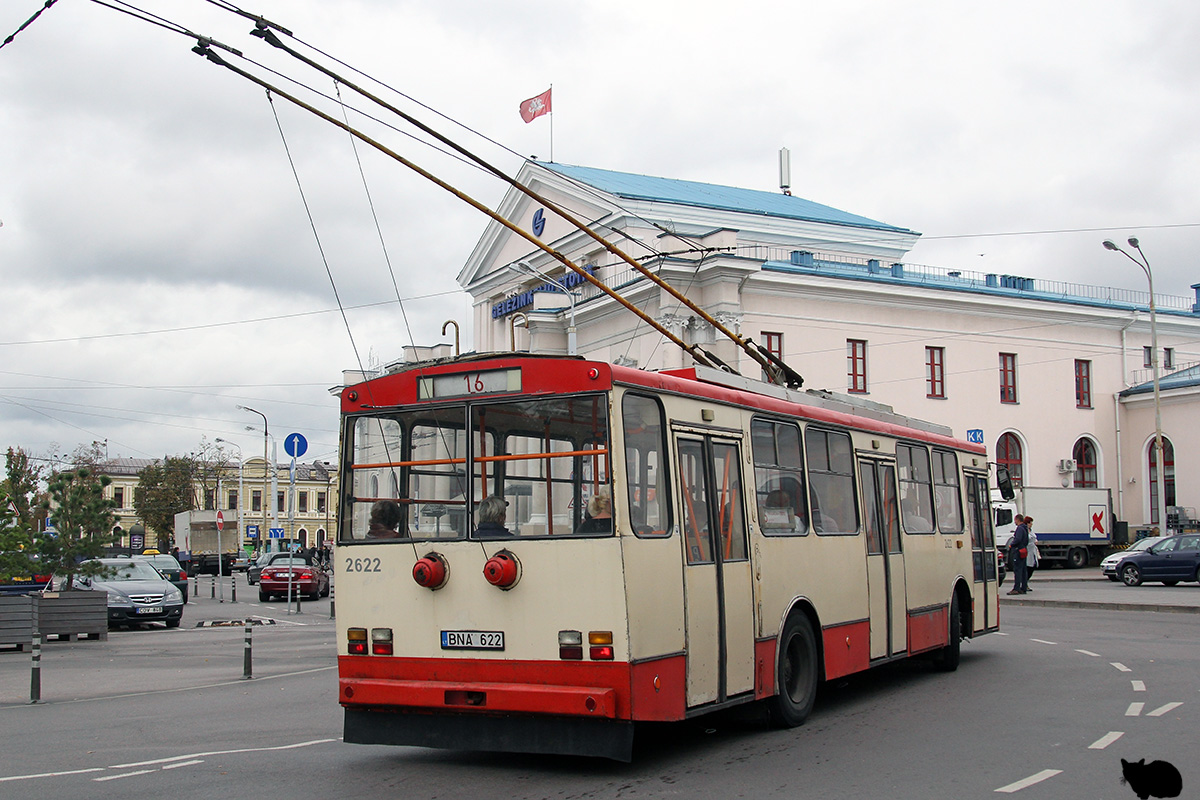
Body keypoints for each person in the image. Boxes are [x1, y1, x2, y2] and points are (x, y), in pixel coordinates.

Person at [1008, 514, 1030, 595]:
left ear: (1017, 520)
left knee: (1017, 570)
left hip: (1018, 551)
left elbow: (1018, 539)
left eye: (1015, 520)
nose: (1015, 522)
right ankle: (1023, 587)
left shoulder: (1019, 528)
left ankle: (1016, 588)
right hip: (1023, 550)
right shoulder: (1025, 528)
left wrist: (1012, 544)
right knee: (1023, 570)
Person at [1025, 515, 1039, 591]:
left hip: (1033, 551)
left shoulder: (1031, 530)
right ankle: (1024, 584)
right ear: (1027, 523)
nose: (1031, 524)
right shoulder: (1024, 530)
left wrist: (1035, 541)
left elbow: (1034, 538)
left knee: (1032, 567)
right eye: (1030, 523)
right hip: (1027, 551)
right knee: (1027, 567)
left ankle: (1026, 582)